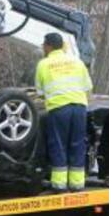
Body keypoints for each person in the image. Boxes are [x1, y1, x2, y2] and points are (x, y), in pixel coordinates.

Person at [35, 32, 93, 192]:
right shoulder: (77, 61)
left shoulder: (43, 64)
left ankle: (59, 184)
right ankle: (77, 183)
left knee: (58, 144)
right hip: (80, 107)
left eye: (44, 45)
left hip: (59, 108)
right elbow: (88, 87)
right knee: (78, 143)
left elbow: (39, 92)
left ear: (48, 46)